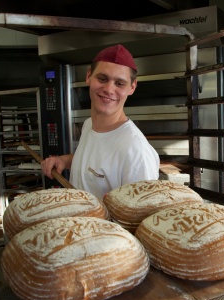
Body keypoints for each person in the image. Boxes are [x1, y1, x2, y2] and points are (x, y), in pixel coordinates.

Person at [41, 44, 160, 200]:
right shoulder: (89, 125)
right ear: (89, 76)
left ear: (132, 87)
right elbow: (92, 161)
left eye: (120, 83)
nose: (109, 90)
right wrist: (63, 160)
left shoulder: (136, 152)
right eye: (102, 79)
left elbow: (142, 217)